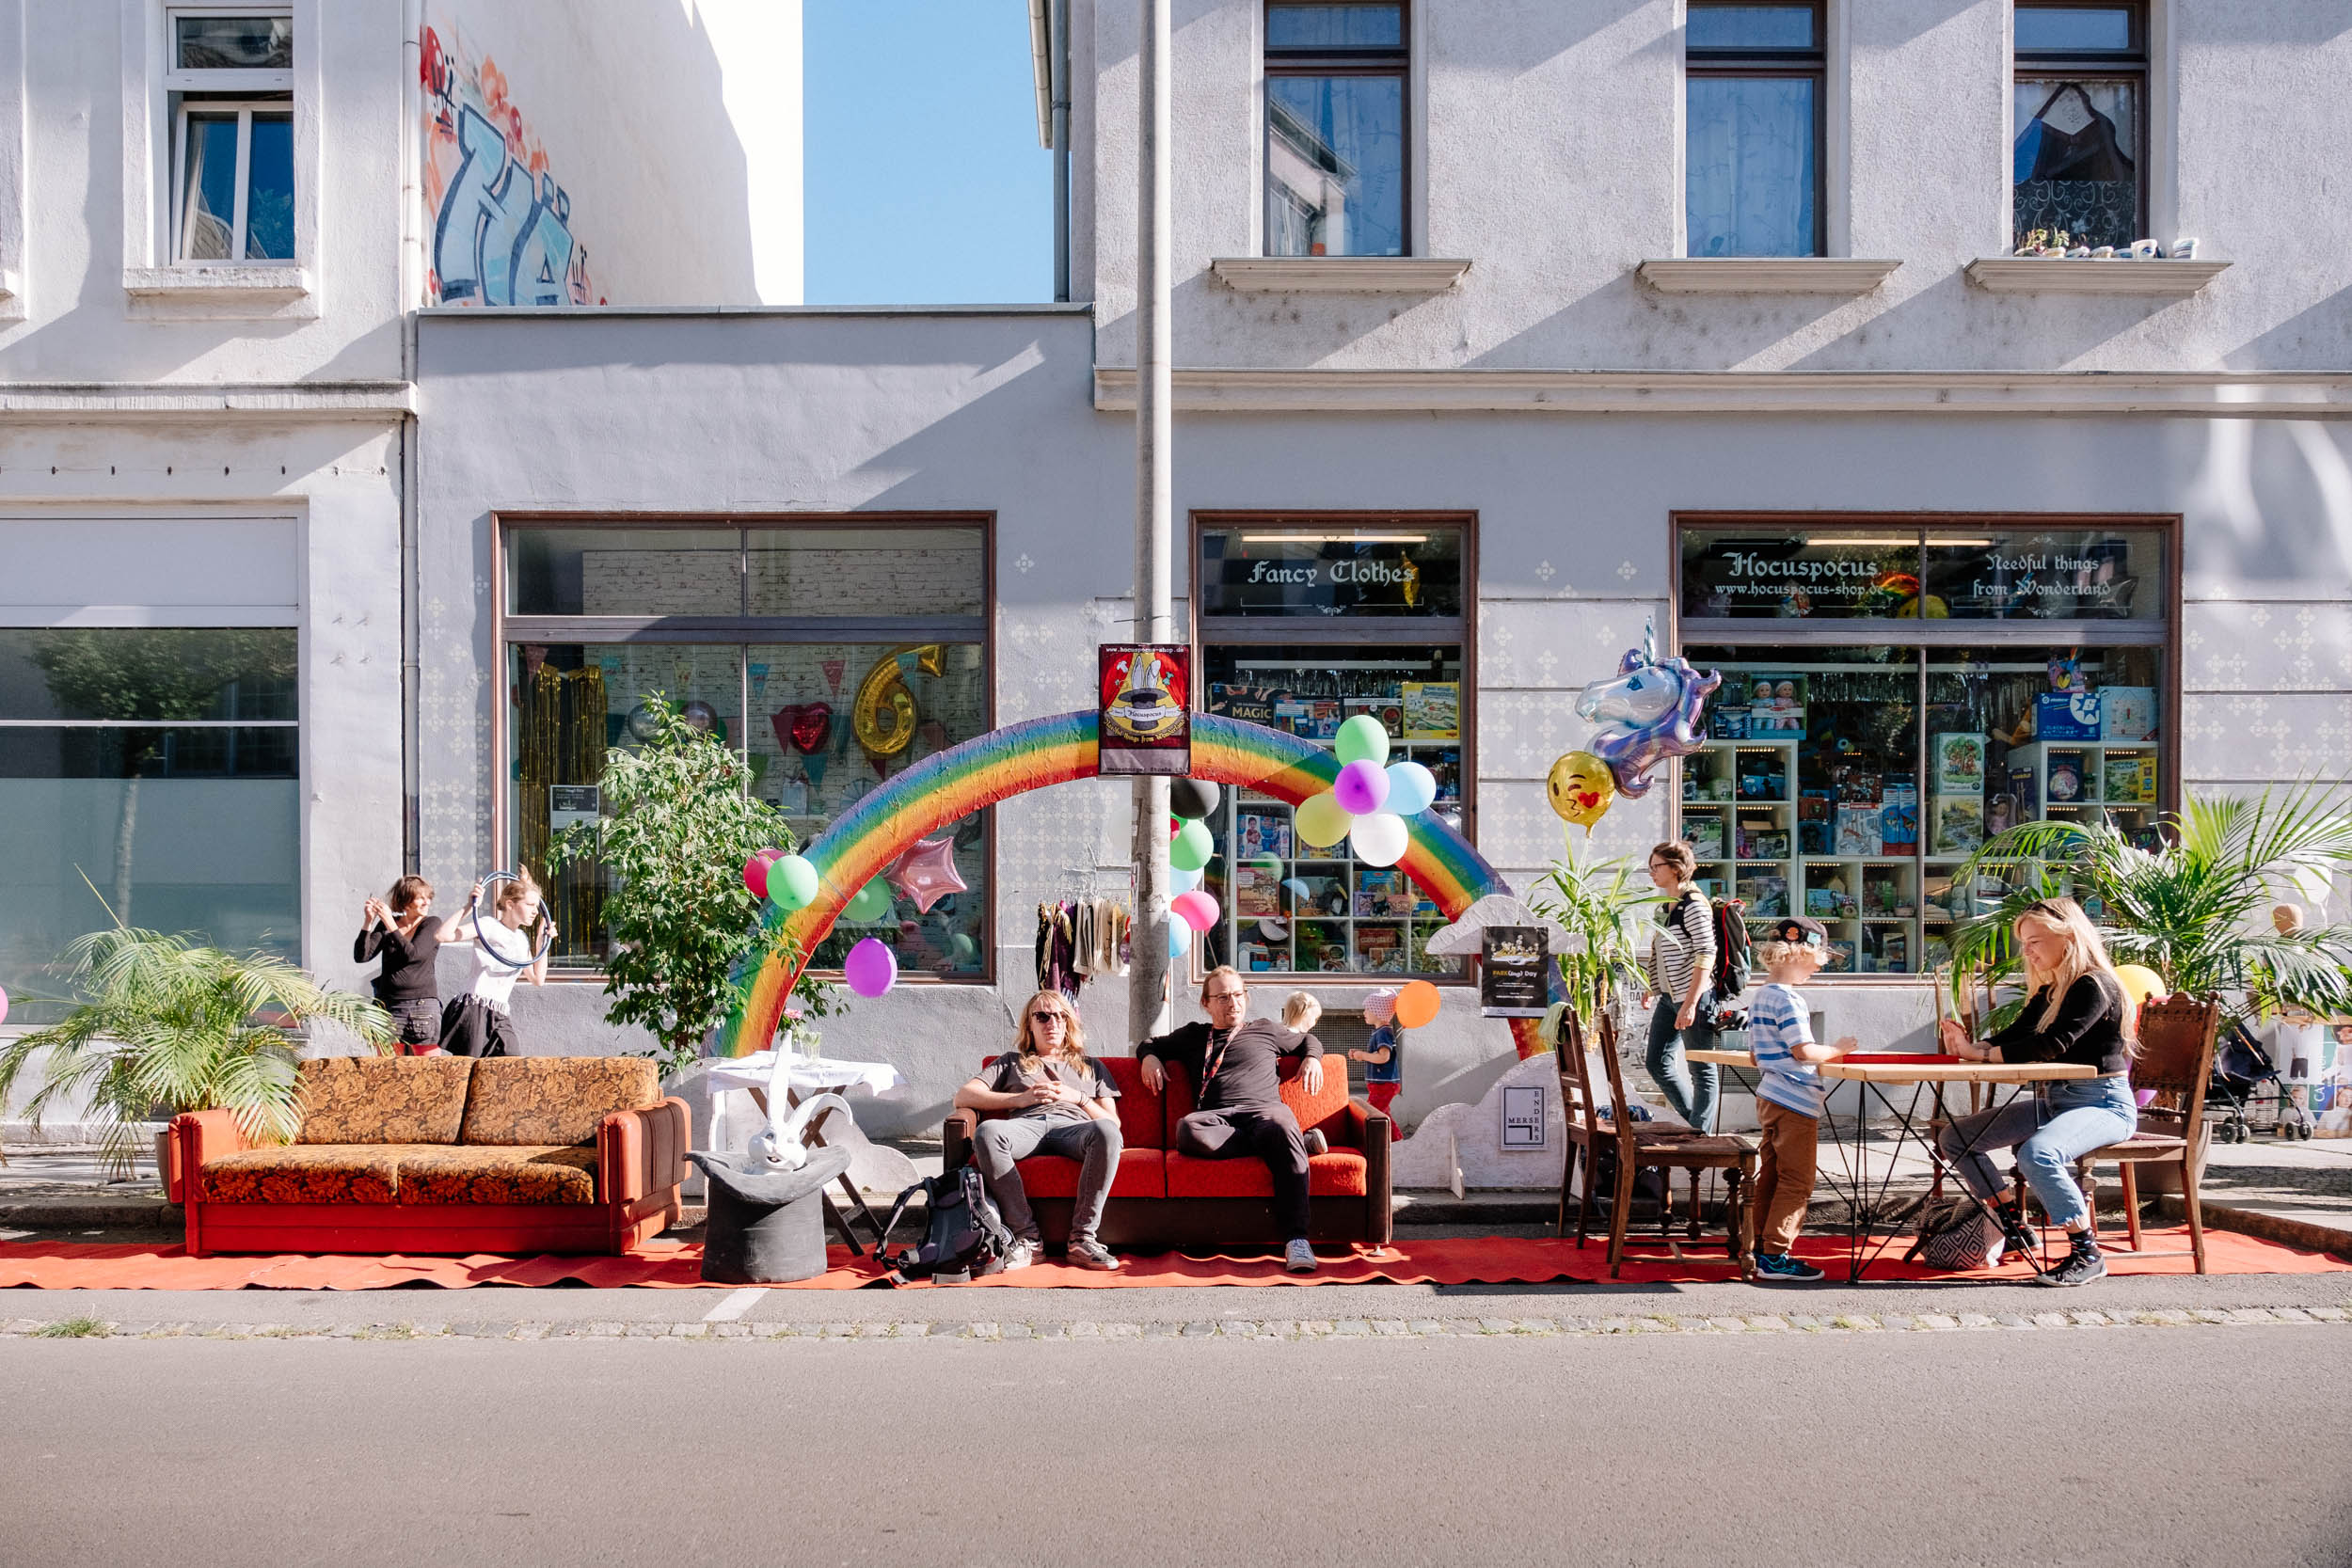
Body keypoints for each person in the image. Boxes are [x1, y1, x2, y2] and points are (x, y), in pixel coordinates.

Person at [1936, 896, 2138, 1288]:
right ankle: (2015, 1228)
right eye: (2024, 943)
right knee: (1956, 1137)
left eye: (2035, 941)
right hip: (2057, 1101)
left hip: (2104, 1103)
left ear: (2068, 937)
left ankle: (2087, 1253)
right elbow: (2017, 1036)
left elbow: (2053, 1045)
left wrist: (1985, 1054)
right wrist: (1971, 1048)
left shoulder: (2093, 984)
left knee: (2039, 1154)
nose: (2026, 952)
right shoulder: (2052, 989)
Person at [1138, 966, 1327, 1274]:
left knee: (1279, 1125)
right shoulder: (1194, 1036)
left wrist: (1312, 1059)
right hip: (1217, 1120)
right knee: (1187, 1129)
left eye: (1238, 995)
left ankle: (1296, 1239)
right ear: (1206, 1003)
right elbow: (1150, 1044)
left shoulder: (1265, 1029)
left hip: (1265, 1111)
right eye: (1223, 997)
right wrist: (1149, 1057)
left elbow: (1308, 1041)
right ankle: (1297, 1144)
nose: (1233, 1003)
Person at [953, 990, 1123, 1272]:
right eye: (1042, 1016)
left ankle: (1082, 1240)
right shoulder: (1011, 1062)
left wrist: (1078, 1098)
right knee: (988, 1132)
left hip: (1075, 1127)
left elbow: (1112, 1123)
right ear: (1029, 1025)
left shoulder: (1092, 1066)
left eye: (1059, 1016)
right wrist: (1018, 1099)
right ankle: (1028, 1239)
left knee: (1107, 1132)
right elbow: (963, 1096)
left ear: (1068, 1023)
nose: (1052, 1023)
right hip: (1027, 1126)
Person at [1743, 917, 1858, 1283]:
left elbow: (1754, 1056)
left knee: (1772, 1175)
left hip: (1770, 1096)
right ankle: (1776, 1254)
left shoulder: (1760, 994)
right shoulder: (1789, 998)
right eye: (1818, 958)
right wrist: (1836, 1049)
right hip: (1795, 1098)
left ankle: (1759, 1247)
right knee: (1797, 1180)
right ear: (1801, 953)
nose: (1818, 967)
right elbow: (1803, 1050)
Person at [1642, 840, 1720, 1132]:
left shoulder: (1695, 905)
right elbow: (1659, 949)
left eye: (1656, 867)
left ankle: (1700, 1134)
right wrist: (1653, 986)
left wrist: (1690, 1004)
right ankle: (1693, 1125)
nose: (1651, 872)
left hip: (1695, 998)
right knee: (1656, 1062)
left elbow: (1705, 954)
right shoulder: (1664, 906)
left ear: (1675, 869)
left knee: (1701, 1069)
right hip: (1669, 997)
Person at [436, 872, 551, 1058]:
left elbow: (538, 979)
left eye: (537, 906)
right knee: (468, 1069)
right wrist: (468, 906)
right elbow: (442, 935)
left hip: (499, 1013)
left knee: (510, 1065)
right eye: (530, 905)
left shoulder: (522, 939)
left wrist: (542, 941)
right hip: (475, 1008)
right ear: (510, 904)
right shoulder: (489, 926)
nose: (535, 911)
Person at [356, 876, 442, 1053]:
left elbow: (413, 954)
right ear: (405, 901)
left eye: (428, 897)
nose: (427, 902)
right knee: (389, 1072)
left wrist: (389, 923)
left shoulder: (431, 923)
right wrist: (368, 922)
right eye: (421, 897)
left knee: (430, 1072)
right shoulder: (388, 925)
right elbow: (362, 956)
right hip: (389, 1006)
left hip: (421, 1006)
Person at [1347, 987, 1406, 1141]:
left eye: (1367, 1009)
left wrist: (1363, 1055)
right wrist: (1360, 1054)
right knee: (1383, 1113)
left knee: (1371, 1114)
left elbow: (1383, 1057)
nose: (1364, 1012)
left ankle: (1366, 1142)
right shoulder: (1380, 1031)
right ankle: (1397, 1141)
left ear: (1378, 1012)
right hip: (1380, 1083)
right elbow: (1378, 1055)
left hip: (1384, 1084)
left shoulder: (1384, 1032)